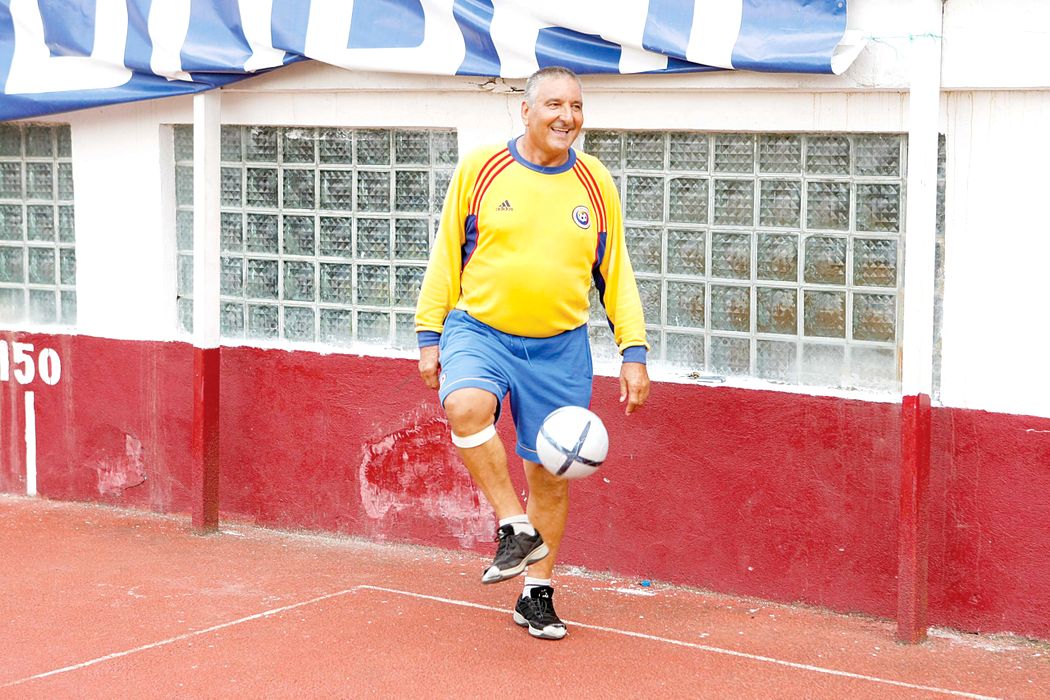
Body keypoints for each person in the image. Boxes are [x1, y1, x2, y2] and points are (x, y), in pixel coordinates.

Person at [414, 66, 650, 640]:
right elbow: (446, 253)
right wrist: (428, 333)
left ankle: (536, 594)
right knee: (466, 406)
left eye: (576, 106)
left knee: (550, 473)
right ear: (526, 111)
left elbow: (615, 271)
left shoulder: (595, 182)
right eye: (554, 105)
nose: (567, 117)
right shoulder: (481, 168)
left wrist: (633, 349)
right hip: (482, 330)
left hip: (560, 347)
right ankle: (513, 526)